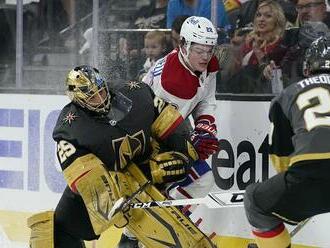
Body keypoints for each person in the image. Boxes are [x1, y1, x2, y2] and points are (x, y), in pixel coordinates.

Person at [26, 65, 217, 248]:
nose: (100, 99)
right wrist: (151, 171)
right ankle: (130, 240)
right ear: (78, 100)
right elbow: (98, 190)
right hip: (115, 182)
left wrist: (184, 153)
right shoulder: (69, 131)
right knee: (54, 235)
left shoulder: (137, 92)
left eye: (101, 91)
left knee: (196, 194)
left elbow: (171, 126)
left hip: (148, 166)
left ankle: (131, 241)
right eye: (92, 98)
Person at [244, 35, 330, 248]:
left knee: (255, 201)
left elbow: (281, 159)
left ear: (307, 68)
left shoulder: (288, 94)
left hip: (312, 174)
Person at [143, 16, 220, 210]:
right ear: (183, 45)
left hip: (169, 129)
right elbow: (157, 129)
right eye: (200, 51)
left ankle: (168, 222)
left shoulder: (203, 64)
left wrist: (204, 124)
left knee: (202, 180)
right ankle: (137, 235)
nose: (206, 56)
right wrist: (192, 143)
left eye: (209, 50)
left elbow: (205, 99)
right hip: (150, 138)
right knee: (154, 189)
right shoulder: (171, 82)